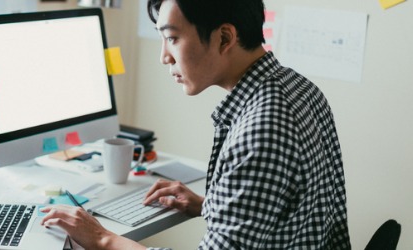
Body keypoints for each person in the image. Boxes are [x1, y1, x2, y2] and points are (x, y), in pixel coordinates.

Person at [40, 0, 351, 248]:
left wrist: (101, 238)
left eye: (172, 38)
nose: (164, 57)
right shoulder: (300, 88)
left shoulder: (261, 128)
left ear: (225, 37)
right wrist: (211, 206)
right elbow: (290, 215)